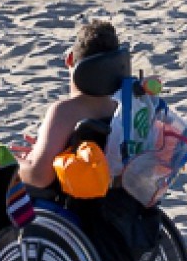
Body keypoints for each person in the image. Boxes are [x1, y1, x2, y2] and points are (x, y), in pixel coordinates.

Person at [17, 19, 126, 192]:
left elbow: (39, 177)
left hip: (76, 204)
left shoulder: (66, 111)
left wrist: (21, 163)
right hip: (119, 200)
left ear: (69, 59)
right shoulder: (122, 108)